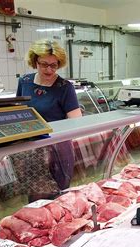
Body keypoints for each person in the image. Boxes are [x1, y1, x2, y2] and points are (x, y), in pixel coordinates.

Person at [16, 39, 81, 200]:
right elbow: (17, 112)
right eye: (44, 64)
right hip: (32, 148)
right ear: (34, 61)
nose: (49, 69)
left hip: (58, 148)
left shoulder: (64, 87)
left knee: (57, 197)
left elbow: (76, 120)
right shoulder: (24, 82)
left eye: (54, 65)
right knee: (36, 198)